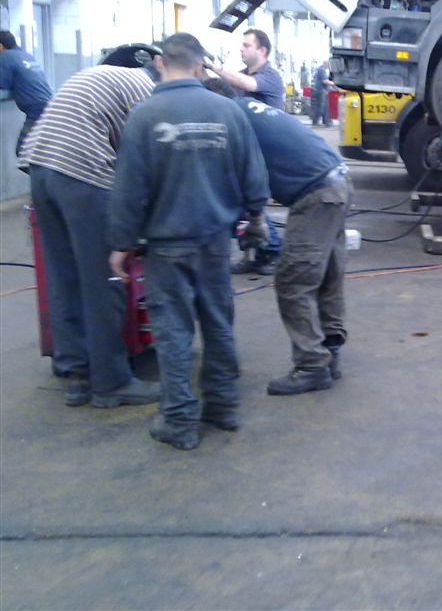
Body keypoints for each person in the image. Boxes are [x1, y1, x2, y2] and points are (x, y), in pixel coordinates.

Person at [108, 33, 270, 451]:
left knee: (173, 332)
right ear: (200, 66)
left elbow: (128, 189)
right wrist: (255, 216)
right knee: (218, 323)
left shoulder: (144, 115)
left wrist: (121, 242)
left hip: (166, 246)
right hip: (214, 242)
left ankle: (179, 422)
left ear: (161, 63)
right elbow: (254, 176)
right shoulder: (227, 110)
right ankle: (223, 406)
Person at [21, 62, 161, 408]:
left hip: (40, 169)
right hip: (81, 172)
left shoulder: (102, 76)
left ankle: (76, 373)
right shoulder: (146, 90)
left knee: (63, 276)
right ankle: (111, 382)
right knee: (103, 278)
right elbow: (140, 162)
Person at [204, 77, 351, 396]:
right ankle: (329, 351)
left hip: (316, 194)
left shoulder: (230, 119)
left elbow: (248, 177)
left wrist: (253, 219)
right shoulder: (250, 108)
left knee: (293, 281)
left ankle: (312, 365)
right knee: (326, 276)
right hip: (337, 182)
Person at [209, 28, 283, 274]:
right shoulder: (239, 76)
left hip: (263, 151)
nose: (241, 48)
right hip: (241, 150)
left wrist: (216, 68)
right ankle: (252, 254)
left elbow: (245, 84)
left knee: (252, 202)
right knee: (240, 204)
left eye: (247, 45)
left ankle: (273, 250)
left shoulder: (269, 77)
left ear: (262, 50)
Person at [0, 30, 52, 157]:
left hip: (37, 110)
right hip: (50, 105)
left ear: (0, 46)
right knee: (38, 151)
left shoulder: (5, 56)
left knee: (23, 151)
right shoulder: (26, 55)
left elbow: (3, 84)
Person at [309, 59, 337, 127]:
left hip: (318, 90)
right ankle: (318, 121)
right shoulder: (322, 70)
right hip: (321, 90)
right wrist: (334, 83)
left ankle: (325, 121)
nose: (329, 67)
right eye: (328, 65)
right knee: (322, 106)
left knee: (322, 106)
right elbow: (325, 81)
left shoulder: (319, 69)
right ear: (326, 64)